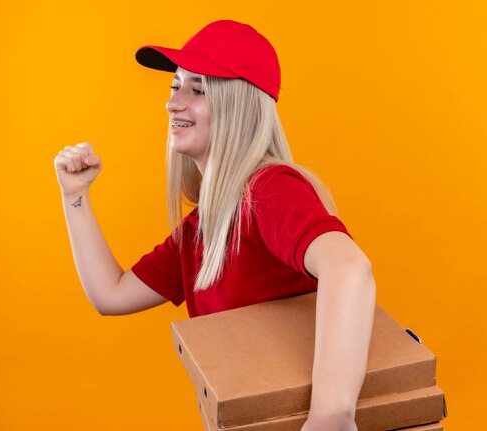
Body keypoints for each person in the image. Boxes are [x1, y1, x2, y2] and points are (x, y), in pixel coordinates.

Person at [54, 20, 376, 431]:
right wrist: (74, 196)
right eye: (175, 86)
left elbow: (349, 268)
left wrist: (330, 416)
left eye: (199, 90)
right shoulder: (201, 229)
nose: (173, 103)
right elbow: (110, 295)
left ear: (239, 105)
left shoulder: (268, 189)